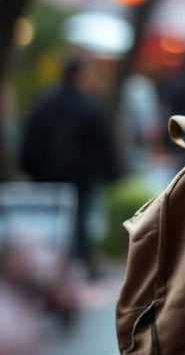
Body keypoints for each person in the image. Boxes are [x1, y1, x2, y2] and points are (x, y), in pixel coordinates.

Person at [18, 55, 120, 280]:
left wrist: (30, 167)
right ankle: (80, 266)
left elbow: (29, 142)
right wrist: (112, 174)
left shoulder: (44, 103)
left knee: (50, 226)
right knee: (80, 222)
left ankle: (51, 268)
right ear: (80, 76)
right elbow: (104, 144)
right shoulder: (91, 106)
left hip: (46, 176)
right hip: (82, 178)